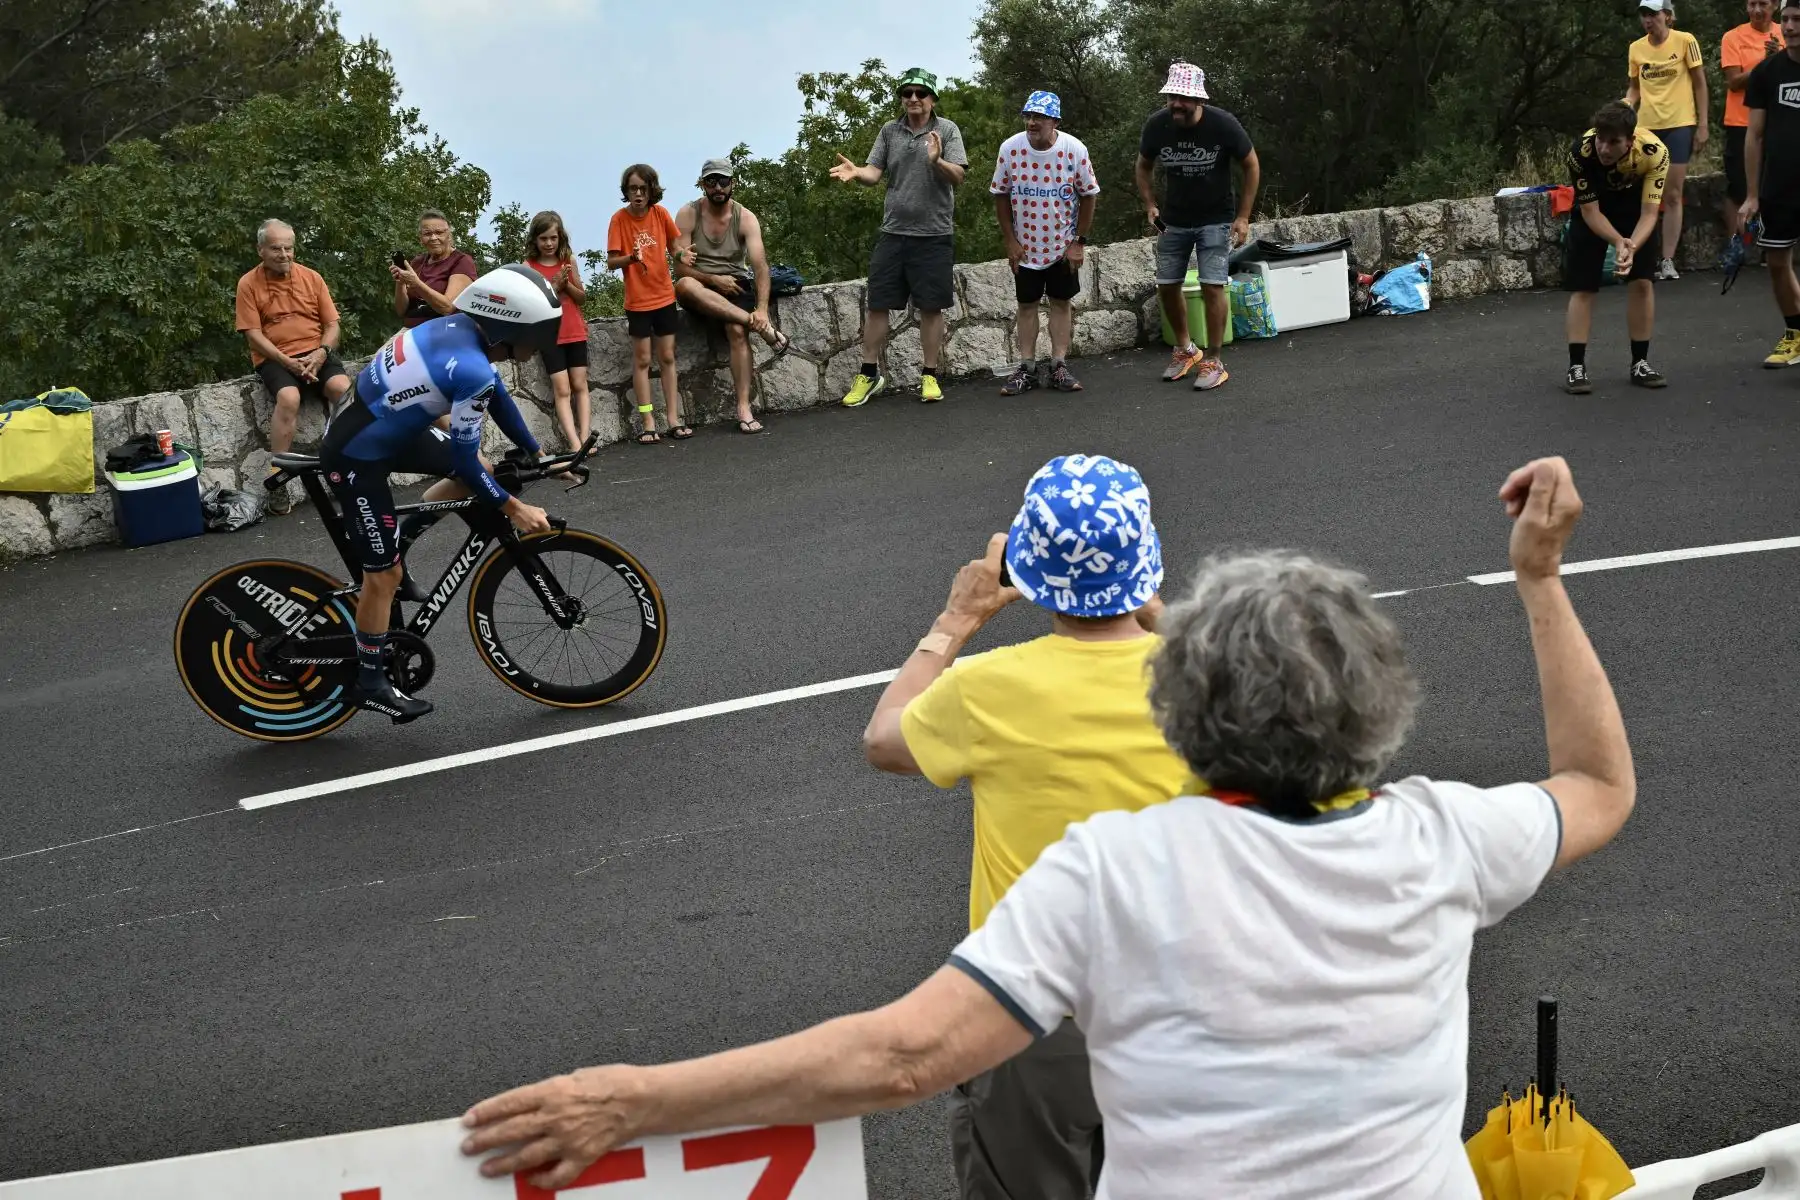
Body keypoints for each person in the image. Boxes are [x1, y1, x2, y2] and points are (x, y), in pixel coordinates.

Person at [461, 455, 1637, 1200]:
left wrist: (633, 1101)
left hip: (1040, 1026)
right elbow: (1596, 784)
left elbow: (896, 1056)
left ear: (1192, 707)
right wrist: (1540, 579)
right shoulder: (1435, 841)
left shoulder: (1113, 871)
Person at [863, 454, 1186, 1200]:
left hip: (1031, 1020)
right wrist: (1153, 605)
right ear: (1145, 563)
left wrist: (958, 618)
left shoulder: (986, 688)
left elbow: (884, 740)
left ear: (1027, 564)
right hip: (1180, 1014)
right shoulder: (1203, 680)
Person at [317, 265, 558, 721]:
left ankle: (400, 544)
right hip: (355, 458)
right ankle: (369, 679)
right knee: (381, 579)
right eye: (537, 334)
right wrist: (515, 507)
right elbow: (466, 454)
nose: (540, 345)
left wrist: (537, 451)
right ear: (509, 327)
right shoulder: (471, 368)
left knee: (482, 469)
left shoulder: (456, 329)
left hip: (381, 427)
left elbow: (497, 397)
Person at [828, 67, 968, 406]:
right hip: (893, 234)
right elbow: (874, 173)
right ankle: (869, 374)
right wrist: (857, 172)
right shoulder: (890, 131)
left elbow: (959, 176)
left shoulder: (946, 130)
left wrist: (936, 161)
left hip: (934, 235)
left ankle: (930, 376)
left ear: (933, 98)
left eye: (921, 93)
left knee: (931, 308)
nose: (914, 99)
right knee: (878, 305)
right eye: (907, 93)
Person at [1135, 61, 1260, 392]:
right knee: (1167, 285)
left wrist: (1243, 216)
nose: (1176, 104)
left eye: (1183, 98)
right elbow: (1143, 165)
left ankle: (1214, 361)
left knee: (1212, 285)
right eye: (1172, 96)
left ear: (1199, 100)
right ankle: (1186, 349)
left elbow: (1251, 165)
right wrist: (1150, 205)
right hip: (1173, 220)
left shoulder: (1223, 125)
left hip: (1215, 218)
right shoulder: (1157, 125)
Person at [235, 218, 352, 514]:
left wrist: (322, 353)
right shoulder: (248, 283)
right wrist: (286, 361)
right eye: (276, 249)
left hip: (317, 353)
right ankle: (279, 479)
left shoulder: (312, 277)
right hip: (276, 358)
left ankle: (347, 467)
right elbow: (252, 334)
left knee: (344, 390)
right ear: (260, 249)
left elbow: (332, 324)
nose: (285, 255)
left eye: (289, 248)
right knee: (289, 398)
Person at [991, 92, 1100, 396]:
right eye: (1028, 116)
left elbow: (1089, 194)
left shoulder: (1074, 149)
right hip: (1025, 246)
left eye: (1039, 117)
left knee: (1061, 302)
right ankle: (1026, 367)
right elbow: (1000, 193)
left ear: (1055, 121)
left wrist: (1079, 241)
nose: (1032, 122)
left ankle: (1058, 365)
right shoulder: (1010, 149)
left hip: (1061, 244)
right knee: (1026, 305)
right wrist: (1010, 240)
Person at [672, 159, 793, 435]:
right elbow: (680, 268)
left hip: (736, 283)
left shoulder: (745, 217)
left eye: (723, 181)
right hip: (701, 284)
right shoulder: (688, 214)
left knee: (737, 331)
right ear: (702, 184)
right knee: (684, 286)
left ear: (732, 184)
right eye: (711, 181)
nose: (718, 187)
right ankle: (766, 332)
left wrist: (761, 309)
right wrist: (714, 279)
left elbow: (760, 266)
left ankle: (743, 408)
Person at [1562, 101, 1670, 394]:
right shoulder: (1580, 152)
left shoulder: (1655, 153)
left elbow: (1650, 214)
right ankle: (1576, 367)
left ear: (1630, 141)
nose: (1604, 148)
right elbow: (1591, 213)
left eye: (1613, 142)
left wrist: (1632, 245)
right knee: (1584, 287)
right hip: (1595, 208)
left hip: (1634, 209)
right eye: (1600, 138)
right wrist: (1618, 241)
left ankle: (1640, 363)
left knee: (1643, 283)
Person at [607, 164, 694, 445]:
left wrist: (682, 257)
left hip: (664, 297)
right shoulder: (619, 220)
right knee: (643, 360)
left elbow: (674, 248)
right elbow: (611, 262)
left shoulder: (660, 214)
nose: (638, 194)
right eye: (633, 188)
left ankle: (673, 418)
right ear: (626, 191)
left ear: (651, 190)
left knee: (667, 357)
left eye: (643, 188)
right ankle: (647, 422)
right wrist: (630, 258)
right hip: (638, 301)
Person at [1625, 0, 1707, 280]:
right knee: (1643, 194)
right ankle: (1639, 257)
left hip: (1679, 124)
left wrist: (1703, 124)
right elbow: (1635, 88)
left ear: (1668, 16)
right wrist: (1625, 105)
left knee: (1672, 194)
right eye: (1644, 16)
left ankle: (1668, 260)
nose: (1648, 20)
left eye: (1653, 14)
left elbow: (1699, 83)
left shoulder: (1685, 41)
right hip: (1646, 127)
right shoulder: (1636, 48)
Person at [1741, 0, 1800, 368]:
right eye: (1788, 19)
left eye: (1798, 20)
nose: (1791, 26)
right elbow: (1754, 136)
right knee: (1777, 262)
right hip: (1779, 186)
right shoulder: (1767, 72)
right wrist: (1750, 194)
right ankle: (1794, 334)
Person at [522, 210, 593, 452]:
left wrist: (567, 285)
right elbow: (532, 305)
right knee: (562, 389)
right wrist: (553, 287)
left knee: (580, 384)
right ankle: (574, 443)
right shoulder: (528, 267)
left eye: (553, 238)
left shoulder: (569, 261)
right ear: (535, 240)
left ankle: (585, 438)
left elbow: (582, 298)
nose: (549, 243)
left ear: (560, 237)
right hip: (550, 335)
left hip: (574, 330)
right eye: (543, 239)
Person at [1721, 0, 1785, 243]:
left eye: (1764, 4)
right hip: (1741, 122)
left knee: (1775, 185)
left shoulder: (1786, 32)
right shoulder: (1733, 37)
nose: (1757, 10)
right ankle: (1736, 246)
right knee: (1739, 187)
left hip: (1777, 121)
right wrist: (1767, 62)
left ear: (1776, 6)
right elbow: (1734, 82)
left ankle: (1771, 243)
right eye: (1752, 4)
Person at [392, 209, 478, 329]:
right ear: (421, 238)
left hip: (445, 329)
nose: (433, 238)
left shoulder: (462, 261)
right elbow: (401, 311)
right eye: (427, 234)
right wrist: (400, 282)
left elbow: (447, 308)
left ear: (448, 235)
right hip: (411, 330)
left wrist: (416, 283)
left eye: (439, 232)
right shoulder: (417, 262)